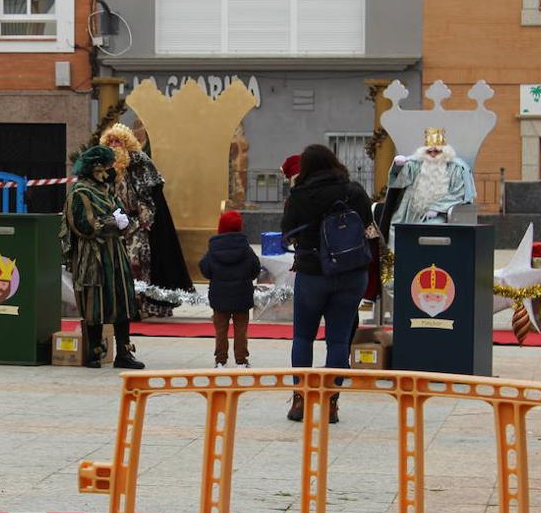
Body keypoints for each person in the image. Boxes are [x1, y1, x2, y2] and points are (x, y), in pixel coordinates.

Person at [279, 144, 374, 424]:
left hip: (312, 273)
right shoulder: (353, 191)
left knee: (303, 337)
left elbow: (287, 231)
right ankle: (331, 403)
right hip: (351, 273)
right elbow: (369, 228)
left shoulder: (300, 194)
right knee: (338, 340)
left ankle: (300, 400)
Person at [98, 123, 193, 318]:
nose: (115, 145)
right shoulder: (105, 167)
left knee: (138, 264)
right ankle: (120, 305)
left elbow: (151, 192)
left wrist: (145, 217)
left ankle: (142, 304)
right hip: (113, 224)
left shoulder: (139, 162)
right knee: (116, 265)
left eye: (118, 141)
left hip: (137, 223)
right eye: (111, 141)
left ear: (126, 143)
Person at [61, 145, 144, 370]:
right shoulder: (80, 193)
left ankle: (124, 353)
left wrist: (124, 222)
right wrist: (111, 222)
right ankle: (94, 353)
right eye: (106, 167)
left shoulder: (107, 190)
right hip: (92, 257)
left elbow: (120, 216)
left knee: (122, 301)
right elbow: (84, 226)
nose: (109, 171)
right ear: (95, 168)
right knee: (94, 304)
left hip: (115, 254)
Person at [198, 209, 261, 369]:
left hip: (219, 297)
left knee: (220, 331)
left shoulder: (213, 247)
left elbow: (205, 268)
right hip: (242, 296)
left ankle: (220, 361)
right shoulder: (246, 248)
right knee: (241, 331)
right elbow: (255, 268)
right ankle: (241, 360)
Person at [388, 127, 475, 229]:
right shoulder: (417, 164)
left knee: (430, 228)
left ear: (444, 152)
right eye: (429, 152)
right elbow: (400, 181)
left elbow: (458, 194)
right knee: (397, 227)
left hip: (442, 213)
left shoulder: (456, 168)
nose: (433, 154)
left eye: (437, 151)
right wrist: (398, 166)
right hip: (414, 213)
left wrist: (437, 208)